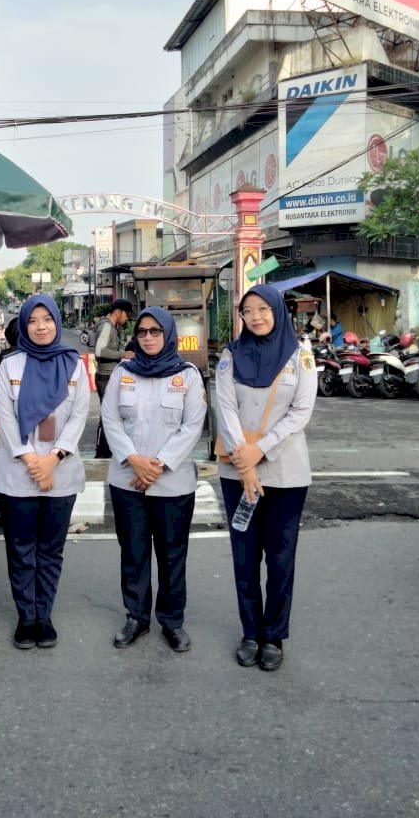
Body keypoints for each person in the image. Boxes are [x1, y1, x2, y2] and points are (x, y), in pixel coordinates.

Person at [214, 283, 318, 672]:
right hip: (237, 472)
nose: (255, 317)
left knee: (280, 558)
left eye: (262, 310)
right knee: (244, 559)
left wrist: (259, 451)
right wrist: (245, 463)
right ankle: (250, 632)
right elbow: (224, 409)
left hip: (286, 473)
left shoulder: (300, 356)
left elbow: (300, 413)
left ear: (277, 310)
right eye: (247, 311)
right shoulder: (230, 356)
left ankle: (273, 636)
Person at [102, 306, 206, 653]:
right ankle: (136, 617)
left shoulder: (188, 375)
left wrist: (157, 466)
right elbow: (110, 419)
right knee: (133, 552)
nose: (148, 337)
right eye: (143, 332)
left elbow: (193, 426)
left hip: (172, 483)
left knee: (172, 553)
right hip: (127, 480)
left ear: (168, 334)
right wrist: (134, 460)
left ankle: (172, 621)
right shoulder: (123, 372)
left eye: (155, 332)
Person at [0, 294, 90, 649]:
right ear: (24, 326)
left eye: (46, 319)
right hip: (19, 473)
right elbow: (4, 416)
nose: (40, 327)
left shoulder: (74, 365)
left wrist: (54, 458)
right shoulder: (10, 366)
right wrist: (32, 459)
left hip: (59, 474)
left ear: (56, 322)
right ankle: (25, 617)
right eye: (32, 321)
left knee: (50, 549)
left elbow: (80, 415)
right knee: (20, 549)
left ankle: (44, 615)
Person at [93, 298, 133, 458]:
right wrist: (124, 354)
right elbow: (99, 351)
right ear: (118, 312)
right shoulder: (106, 327)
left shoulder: (111, 327)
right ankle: (102, 451)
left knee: (112, 413)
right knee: (107, 413)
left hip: (109, 374)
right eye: (126, 315)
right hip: (105, 376)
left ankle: (106, 449)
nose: (127, 318)